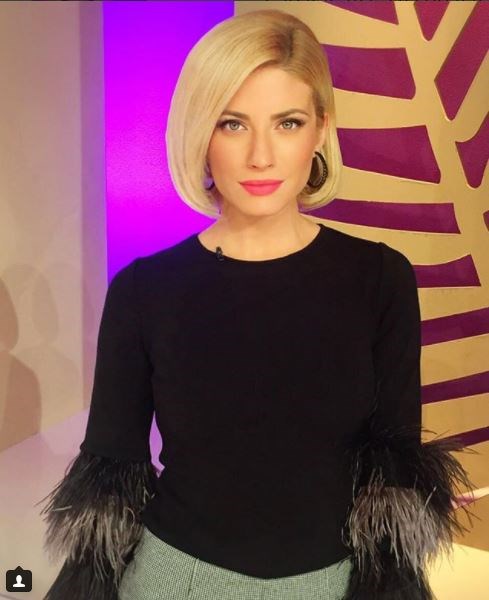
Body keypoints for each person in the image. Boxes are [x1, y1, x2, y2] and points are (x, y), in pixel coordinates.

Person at [37, 9, 475, 600]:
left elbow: (393, 476)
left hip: (332, 582)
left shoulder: (379, 279)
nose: (261, 156)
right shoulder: (144, 289)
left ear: (320, 129)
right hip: (177, 579)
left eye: (288, 123)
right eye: (233, 123)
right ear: (201, 133)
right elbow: (110, 476)